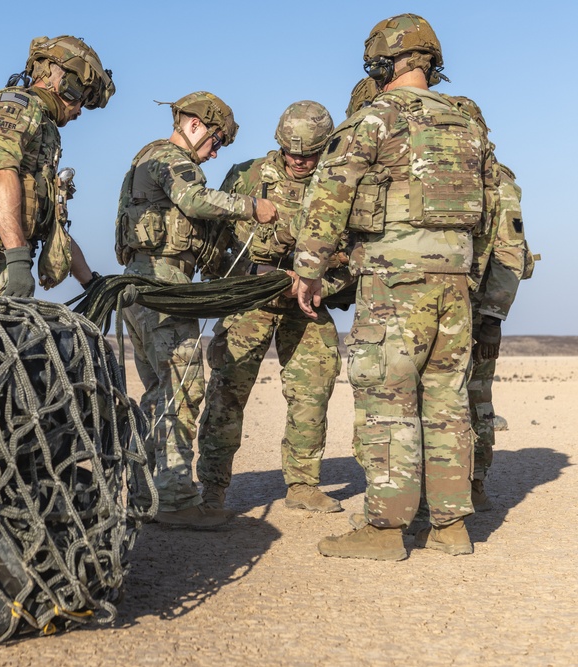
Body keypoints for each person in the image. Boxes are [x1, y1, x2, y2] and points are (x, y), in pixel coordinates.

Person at [294, 14, 497, 560]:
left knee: (388, 401)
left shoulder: (376, 118)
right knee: (447, 402)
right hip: (454, 286)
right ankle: (451, 527)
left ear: (384, 59)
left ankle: (385, 531)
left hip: (394, 284)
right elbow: (492, 207)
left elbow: (330, 194)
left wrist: (309, 270)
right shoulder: (467, 124)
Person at [114, 91, 278, 528]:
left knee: (157, 395)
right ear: (193, 125)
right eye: (216, 138)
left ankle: (145, 495)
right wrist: (252, 207)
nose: (216, 150)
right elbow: (194, 201)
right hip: (163, 289)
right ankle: (173, 500)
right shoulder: (170, 158)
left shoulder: (147, 159)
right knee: (182, 391)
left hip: (143, 289)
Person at [196, 101, 346, 513]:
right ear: (279, 144)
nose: (299, 160)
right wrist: (221, 285)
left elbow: (355, 253)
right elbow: (215, 235)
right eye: (292, 151)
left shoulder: (340, 184)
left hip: (309, 303)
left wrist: (320, 282)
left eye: (310, 153)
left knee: (312, 391)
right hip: (249, 296)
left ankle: (302, 485)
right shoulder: (247, 174)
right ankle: (211, 488)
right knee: (227, 391)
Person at [0, 36, 113, 298]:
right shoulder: (16, 106)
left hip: (4, 266)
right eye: (82, 100)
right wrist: (18, 261)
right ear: (68, 86)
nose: (80, 111)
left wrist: (91, 284)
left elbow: (51, 226)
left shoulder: (42, 123)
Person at [447, 96, 537, 511]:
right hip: (440, 305)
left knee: (475, 396)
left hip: (477, 310)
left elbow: (510, 253)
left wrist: (493, 319)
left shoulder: (498, 181)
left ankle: (475, 481)